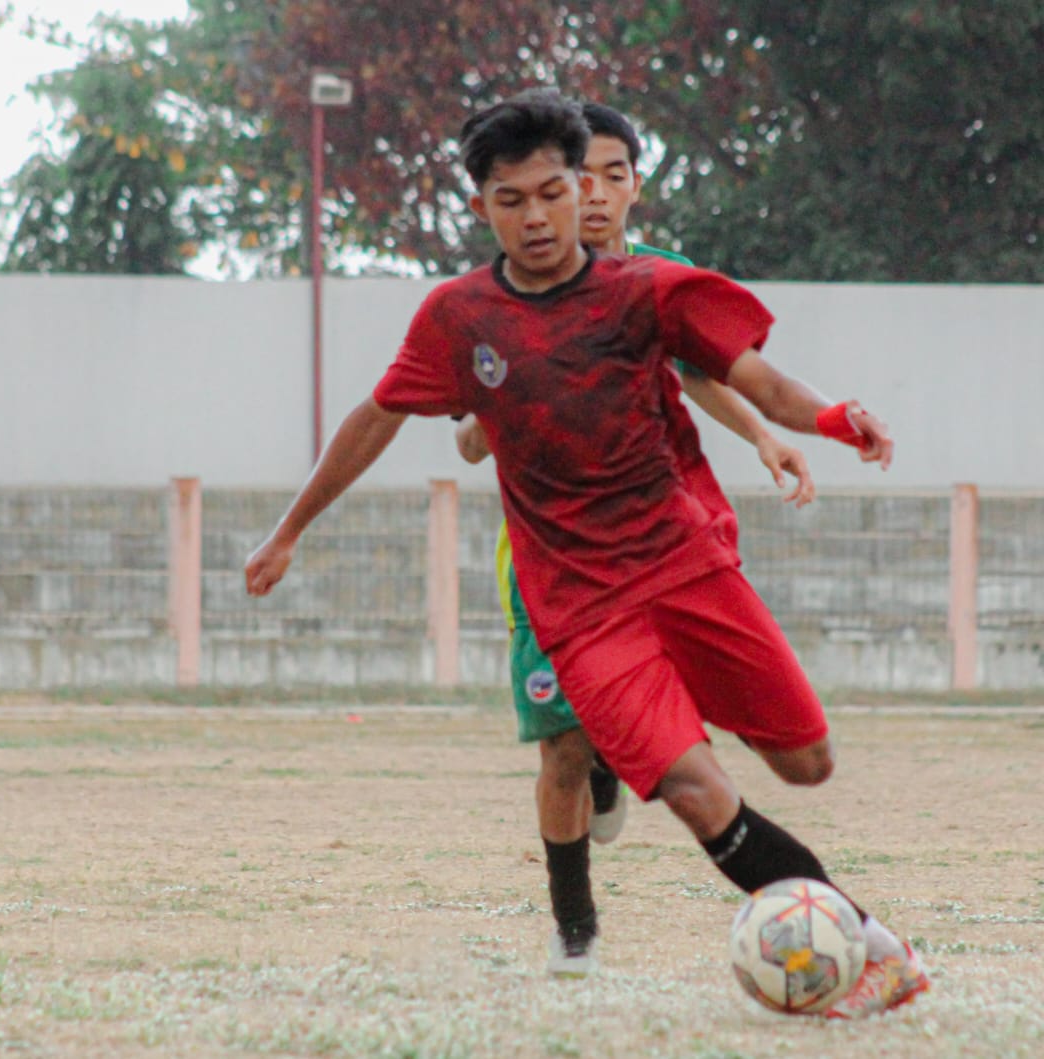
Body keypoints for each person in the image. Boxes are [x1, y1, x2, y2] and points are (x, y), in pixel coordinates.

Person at [244, 90, 927, 1017]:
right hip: (578, 606)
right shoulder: (459, 317)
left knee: (809, 763)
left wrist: (835, 419)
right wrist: (289, 529)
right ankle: (871, 944)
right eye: (511, 198)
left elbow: (754, 377)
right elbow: (375, 419)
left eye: (553, 192)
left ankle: (654, 743)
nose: (537, 216)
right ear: (482, 206)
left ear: (585, 190)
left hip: (686, 567)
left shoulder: (646, 291)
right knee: (694, 787)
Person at [452, 101, 816, 977]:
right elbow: (468, 431)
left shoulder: (658, 281)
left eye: (615, 177)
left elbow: (707, 374)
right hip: (553, 564)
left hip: (662, 544)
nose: (598, 194)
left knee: (685, 708)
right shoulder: (502, 298)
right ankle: (574, 926)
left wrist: (766, 435)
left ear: (631, 188)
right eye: (587, 178)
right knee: (563, 749)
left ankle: (640, 754)